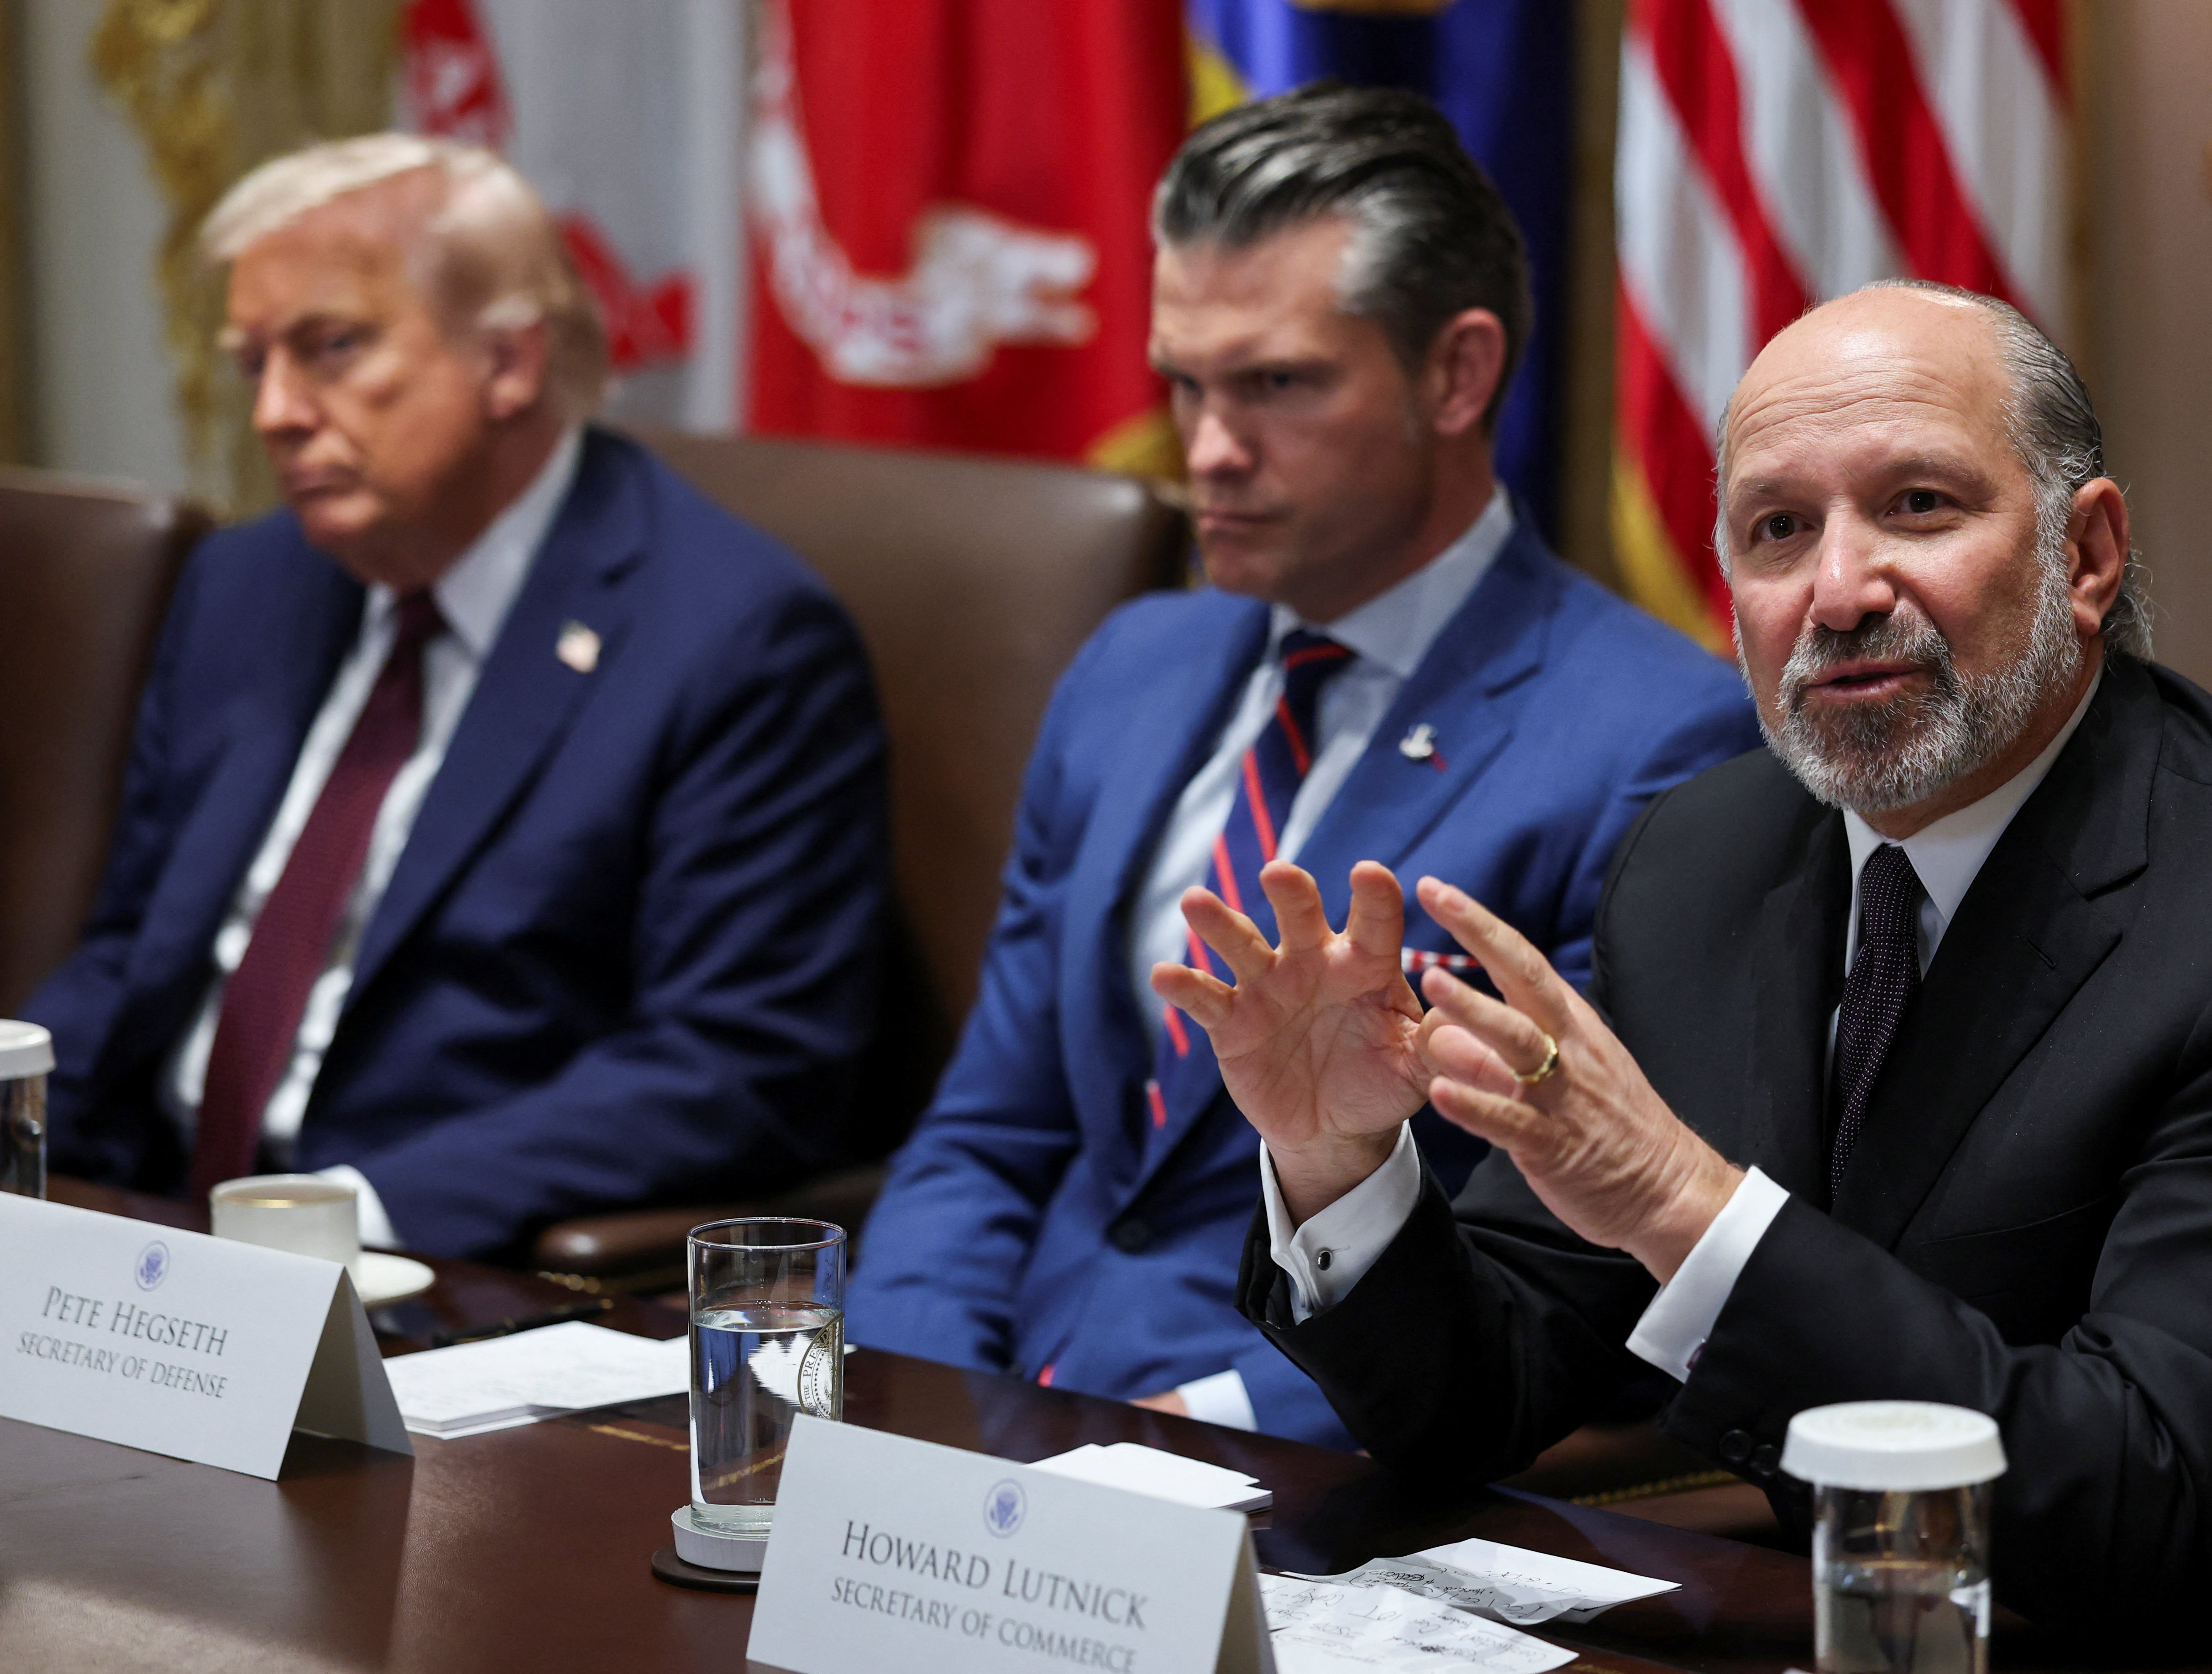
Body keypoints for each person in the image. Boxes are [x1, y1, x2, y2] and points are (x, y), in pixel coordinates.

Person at [1166, 283, 2212, 1668]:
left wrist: (1681, 1206)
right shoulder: (1706, 856)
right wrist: (1339, 1165)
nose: (1840, 589)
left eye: (1919, 505)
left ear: (2086, 553)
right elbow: (1481, 1395)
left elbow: (2131, 1510)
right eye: (1777, 530)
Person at [845, 84, 1758, 1448]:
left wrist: (1192, 1433)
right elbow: (992, 1128)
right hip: (999, 1426)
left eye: (1276, 384)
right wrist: (911, 1403)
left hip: (1308, 1457)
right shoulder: (1130, 668)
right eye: (1183, 384)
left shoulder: (1657, 740)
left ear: (1455, 373)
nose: (1204, 451)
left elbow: (1580, 1268)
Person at [27, 135, 888, 1260]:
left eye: (331, 349)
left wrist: (336, 1223)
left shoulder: (734, 637)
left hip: (441, 1267)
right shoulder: (248, 582)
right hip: (150, 1236)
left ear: (510, 362)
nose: (277, 413)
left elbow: (732, 1065)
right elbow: (133, 951)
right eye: (254, 365)